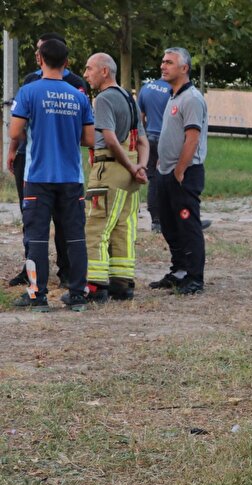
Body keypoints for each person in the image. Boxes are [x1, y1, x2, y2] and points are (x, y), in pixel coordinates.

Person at [6, 38, 94, 310]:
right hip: (71, 178)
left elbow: (14, 132)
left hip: (38, 177)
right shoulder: (79, 95)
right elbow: (89, 139)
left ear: (40, 59)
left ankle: (37, 295)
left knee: (37, 238)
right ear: (66, 63)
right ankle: (78, 294)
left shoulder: (29, 91)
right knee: (75, 237)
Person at [81, 52, 149, 302]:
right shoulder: (129, 99)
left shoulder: (104, 99)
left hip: (108, 171)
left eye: (89, 69)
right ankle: (122, 283)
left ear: (104, 72)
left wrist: (132, 168)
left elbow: (108, 138)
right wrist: (140, 167)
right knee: (124, 226)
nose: (86, 74)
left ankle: (95, 286)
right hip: (130, 174)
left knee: (96, 227)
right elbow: (142, 140)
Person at [149, 47, 207, 295]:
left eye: (169, 62)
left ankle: (194, 278)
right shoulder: (173, 96)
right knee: (169, 225)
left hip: (184, 173)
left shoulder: (192, 98)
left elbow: (191, 138)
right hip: (165, 172)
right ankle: (179, 271)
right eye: (162, 61)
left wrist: (179, 171)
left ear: (184, 68)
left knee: (188, 225)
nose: (163, 66)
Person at [137, 75, 171, 234]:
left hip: (149, 137)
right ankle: (177, 217)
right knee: (170, 178)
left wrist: (141, 140)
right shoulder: (173, 90)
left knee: (153, 179)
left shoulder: (146, 88)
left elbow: (140, 117)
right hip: (166, 138)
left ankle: (156, 220)